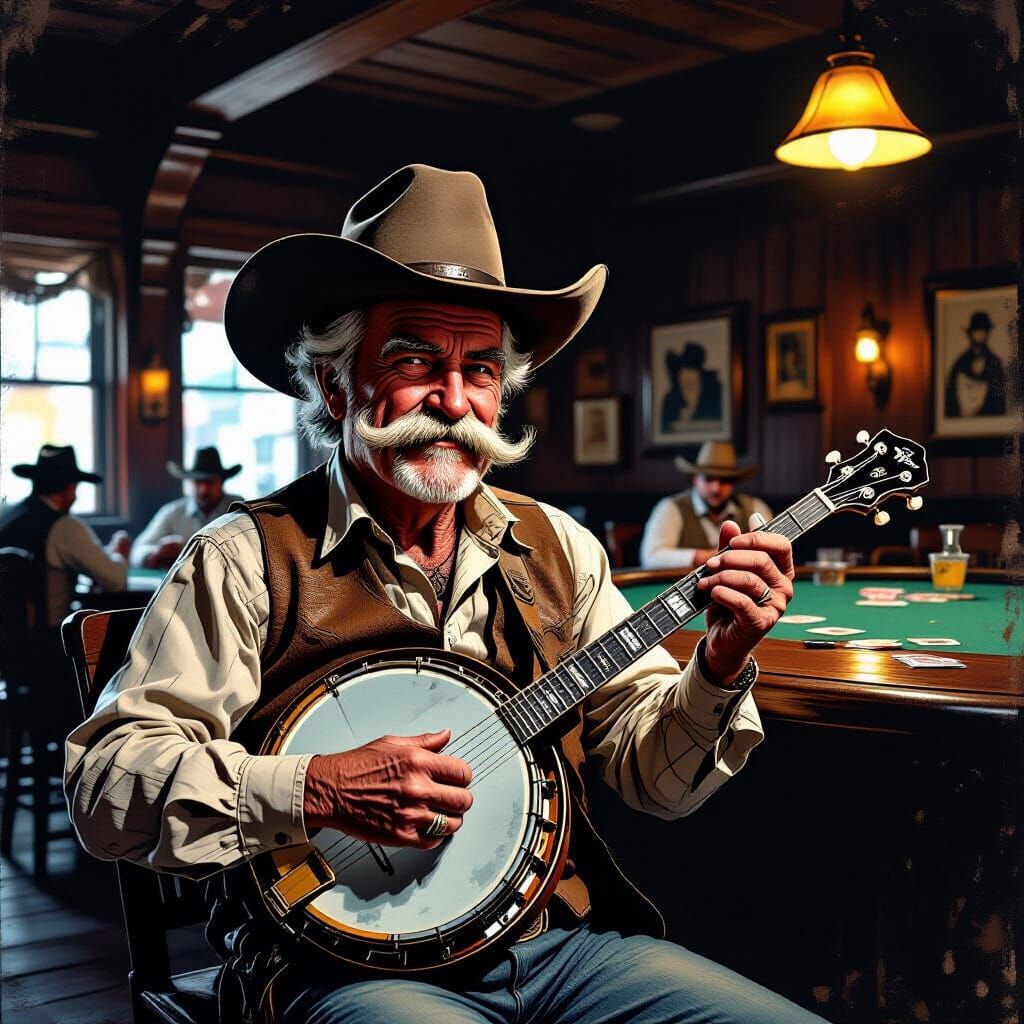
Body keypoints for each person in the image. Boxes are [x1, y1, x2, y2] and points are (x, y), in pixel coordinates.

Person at [66, 165, 820, 1024]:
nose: (454, 401)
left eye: (482, 369)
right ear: (335, 382)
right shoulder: (245, 558)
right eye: (415, 358)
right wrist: (316, 788)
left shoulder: (559, 549)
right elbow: (105, 785)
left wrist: (720, 663)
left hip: (562, 947)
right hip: (342, 969)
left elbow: (659, 784)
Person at [0, 444, 130, 629]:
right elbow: (115, 581)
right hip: (51, 644)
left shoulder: (4, 514)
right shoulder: (65, 527)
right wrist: (119, 553)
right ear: (70, 488)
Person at [641, 441, 772, 570]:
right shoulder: (670, 508)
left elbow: (772, 554)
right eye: (708, 478)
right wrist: (705, 556)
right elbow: (651, 558)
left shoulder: (755, 507)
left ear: (733, 482)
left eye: (724, 480)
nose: (716, 488)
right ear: (695, 479)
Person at [130, 447, 244, 568]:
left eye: (209, 482)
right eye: (198, 482)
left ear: (221, 482)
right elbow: (137, 551)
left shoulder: (240, 510)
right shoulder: (173, 512)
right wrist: (153, 554)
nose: (203, 489)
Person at [943, 310, 1006, 417]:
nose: (980, 335)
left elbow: (999, 402)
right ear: (971, 333)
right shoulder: (959, 364)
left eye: (983, 331)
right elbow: (950, 399)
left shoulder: (995, 363)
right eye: (977, 331)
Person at [660, 342, 722, 433]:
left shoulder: (714, 395)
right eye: (683, 372)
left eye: (692, 372)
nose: (687, 377)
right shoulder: (670, 400)